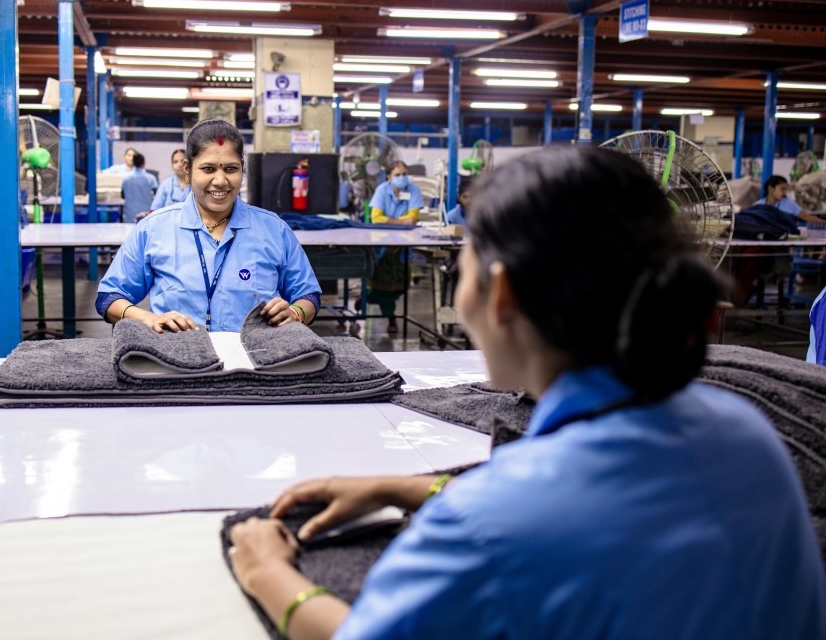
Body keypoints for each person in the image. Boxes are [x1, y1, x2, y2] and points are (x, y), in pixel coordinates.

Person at [228, 147, 826, 640]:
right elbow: (604, 513)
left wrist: (269, 572)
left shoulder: (485, 523)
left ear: (502, 293)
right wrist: (409, 489)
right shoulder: (745, 431)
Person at [95, 119, 321, 333]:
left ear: (242, 169)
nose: (221, 181)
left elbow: (308, 295)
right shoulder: (153, 229)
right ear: (187, 169)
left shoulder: (274, 230)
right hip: (178, 359)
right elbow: (109, 297)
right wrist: (149, 318)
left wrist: (295, 312)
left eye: (231, 169)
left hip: (257, 359)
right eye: (209, 169)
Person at [366, 161, 424, 334]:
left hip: (403, 245)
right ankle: (390, 317)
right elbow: (376, 217)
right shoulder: (382, 190)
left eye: (404, 174)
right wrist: (401, 222)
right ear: (389, 177)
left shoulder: (413, 190)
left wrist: (391, 221)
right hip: (382, 244)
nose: (402, 177)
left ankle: (367, 300)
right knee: (380, 283)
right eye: (397, 175)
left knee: (401, 285)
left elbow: (413, 218)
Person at [755, 175, 825, 223]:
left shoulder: (789, 204)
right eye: (782, 189)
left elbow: (807, 217)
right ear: (770, 189)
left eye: (786, 189)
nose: (785, 192)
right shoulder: (758, 205)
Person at [121, 152, 158, 222]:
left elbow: (122, 196)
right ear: (144, 163)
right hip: (146, 217)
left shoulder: (125, 179)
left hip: (129, 217)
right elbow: (157, 197)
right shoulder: (151, 179)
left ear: (133, 163)